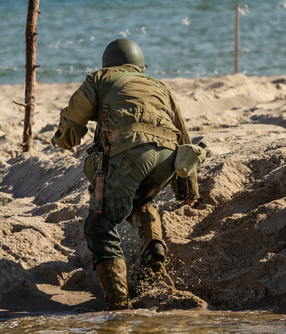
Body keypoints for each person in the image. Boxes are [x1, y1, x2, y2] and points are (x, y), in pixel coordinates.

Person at [51, 38, 199, 310]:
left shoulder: (100, 78)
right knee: (141, 201)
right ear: (140, 66)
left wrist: (61, 139)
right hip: (168, 157)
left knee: (100, 225)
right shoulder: (159, 85)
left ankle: (119, 304)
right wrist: (187, 192)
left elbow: (72, 123)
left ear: (108, 63)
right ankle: (153, 246)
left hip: (130, 154)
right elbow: (184, 136)